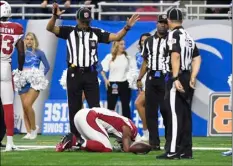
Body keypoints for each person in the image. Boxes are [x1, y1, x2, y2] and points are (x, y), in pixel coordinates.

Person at [46, 3, 139, 140]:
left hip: (90, 74)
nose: (84, 24)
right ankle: (75, 137)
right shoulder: (69, 31)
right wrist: (54, 16)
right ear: (77, 20)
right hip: (74, 73)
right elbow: (50, 28)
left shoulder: (96, 32)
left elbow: (116, 37)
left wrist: (127, 27)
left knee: (96, 107)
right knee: (74, 106)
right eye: (83, 21)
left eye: (86, 22)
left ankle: (98, 136)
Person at [156, 8, 201, 159]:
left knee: (175, 115)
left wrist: (175, 78)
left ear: (169, 20)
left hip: (178, 75)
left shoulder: (174, 34)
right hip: (187, 76)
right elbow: (197, 58)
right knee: (185, 115)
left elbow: (175, 55)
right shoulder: (188, 36)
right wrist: (193, 76)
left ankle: (173, 150)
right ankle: (186, 150)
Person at [137, 14, 168, 150]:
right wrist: (139, 77)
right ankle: (154, 142)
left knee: (166, 110)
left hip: (165, 77)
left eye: (165, 23)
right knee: (150, 112)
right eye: (160, 22)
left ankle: (170, 141)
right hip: (151, 78)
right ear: (156, 24)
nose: (162, 25)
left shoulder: (172, 40)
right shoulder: (149, 41)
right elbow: (145, 61)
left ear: (168, 24)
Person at [56, 107, 140, 152]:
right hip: (89, 117)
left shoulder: (125, 121)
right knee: (107, 148)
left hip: (81, 116)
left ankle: (72, 144)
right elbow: (127, 148)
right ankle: (76, 142)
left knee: (93, 146)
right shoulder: (131, 130)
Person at [0, 1, 25, 151]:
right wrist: (20, 69)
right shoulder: (16, 28)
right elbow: (21, 52)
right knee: (8, 106)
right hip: (5, 67)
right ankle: (9, 143)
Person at [16, 32, 50, 140]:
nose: (29, 41)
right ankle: (29, 132)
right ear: (24, 41)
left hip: (34, 81)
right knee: (24, 107)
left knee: (27, 104)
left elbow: (47, 67)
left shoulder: (40, 53)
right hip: (22, 80)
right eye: (27, 39)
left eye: (31, 39)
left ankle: (34, 128)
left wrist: (39, 77)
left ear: (34, 40)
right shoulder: (21, 52)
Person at [101, 39, 134, 119]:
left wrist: (131, 80)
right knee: (111, 107)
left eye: (124, 44)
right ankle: (110, 127)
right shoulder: (109, 57)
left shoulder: (128, 58)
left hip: (125, 84)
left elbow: (133, 70)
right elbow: (102, 70)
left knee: (126, 106)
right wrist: (106, 80)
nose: (123, 46)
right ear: (116, 45)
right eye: (121, 44)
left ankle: (128, 128)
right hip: (113, 84)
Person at [134, 33, 151, 141]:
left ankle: (147, 132)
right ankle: (148, 133)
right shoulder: (137, 55)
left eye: (146, 40)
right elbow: (138, 69)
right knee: (145, 107)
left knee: (138, 103)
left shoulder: (153, 52)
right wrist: (138, 81)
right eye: (142, 40)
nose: (143, 42)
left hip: (152, 80)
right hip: (142, 82)